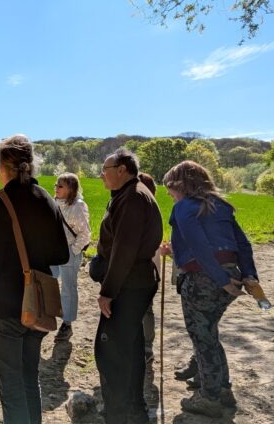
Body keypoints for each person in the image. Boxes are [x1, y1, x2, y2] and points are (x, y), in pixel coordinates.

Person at [0, 134, 69, 424]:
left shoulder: (2, 201)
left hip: (6, 306)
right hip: (38, 304)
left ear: (3, 167)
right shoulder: (47, 200)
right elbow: (61, 253)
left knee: (10, 386)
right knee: (29, 379)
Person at [162, 160, 257, 418]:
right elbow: (243, 244)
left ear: (179, 185)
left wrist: (219, 279)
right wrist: (249, 276)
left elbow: (199, 245)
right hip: (228, 273)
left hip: (205, 279)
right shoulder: (221, 206)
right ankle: (222, 389)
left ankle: (210, 397)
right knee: (209, 334)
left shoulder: (184, 208)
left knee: (202, 338)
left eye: (170, 191)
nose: (170, 197)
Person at [94, 148, 163, 424]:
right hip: (133, 283)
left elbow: (124, 250)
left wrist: (107, 291)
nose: (102, 174)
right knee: (131, 347)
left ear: (122, 170)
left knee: (110, 351)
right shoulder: (128, 195)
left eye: (105, 169)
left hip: (129, 286)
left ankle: (120, 413)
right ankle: (133, 410)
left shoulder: (133, 197)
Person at [50, 172, 91, 342]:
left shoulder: (78, 206)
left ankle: (67, 324)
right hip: (53, 250)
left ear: (71, 188)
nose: (56, 188)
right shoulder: (53, 203)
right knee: (49, 283)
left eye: (60, 186)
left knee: (68, 288)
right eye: (56, 185)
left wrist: (73, 250)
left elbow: (85, 234)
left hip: (69, 251)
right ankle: (47, 316)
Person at [137, 172, 162, 363]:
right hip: (146, 266)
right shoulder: (152, 207)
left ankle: (146, 346)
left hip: (145, 267)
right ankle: (142, 346)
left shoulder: (147, 208)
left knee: (146, 308)